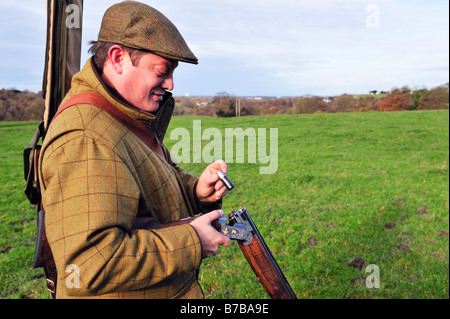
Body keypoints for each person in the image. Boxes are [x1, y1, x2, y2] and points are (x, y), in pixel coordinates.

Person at [38, 1, 231, 299]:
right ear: (117, 58)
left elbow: (146, 179)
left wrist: (195, 191)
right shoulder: (86, 137)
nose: (170, 84)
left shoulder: (121, 114)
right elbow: (89, 266)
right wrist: (191, 241)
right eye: (162, 71)